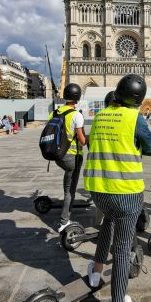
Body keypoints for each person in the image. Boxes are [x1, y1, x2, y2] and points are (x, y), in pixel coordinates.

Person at [84, 74, 151, 302]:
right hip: (126, 192)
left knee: (107, 225)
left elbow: (94, 143)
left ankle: (95, 272)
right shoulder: (134, 117)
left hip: (98, 190)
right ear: (139, 98)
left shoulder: (101, 115)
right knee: (124, 247)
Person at [49, 83, 88, 233]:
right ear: (77, 98)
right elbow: (83, 141)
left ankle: (67, 211)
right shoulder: (76, 115)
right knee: (69, 191)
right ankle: (64, 221)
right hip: (72, 158)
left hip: (57, 156)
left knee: (67, 186)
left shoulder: (55, 113)